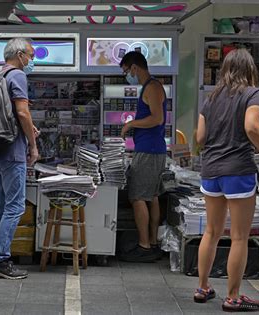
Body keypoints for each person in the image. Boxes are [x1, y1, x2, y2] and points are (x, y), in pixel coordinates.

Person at [195, 48, 259, 312]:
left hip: (211, 171)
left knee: (210, 232)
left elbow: (200, 138)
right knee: (240, 237)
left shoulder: (211, 98)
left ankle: (202, 287)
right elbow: (252, 127)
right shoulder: (252, 93)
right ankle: (233, 297)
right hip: (238, 171)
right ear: (250, 69)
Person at [0, 38, 39, 279]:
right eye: (31, 56)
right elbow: (22, 112)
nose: (32, 61)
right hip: (13, 152)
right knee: (15, 206)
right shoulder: (18, 76)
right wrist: (32, 145)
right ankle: (0, 260)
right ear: (21, 55)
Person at [119, 51, 167, 262]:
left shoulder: (153, 87)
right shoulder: (150, 87)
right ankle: (153, 242)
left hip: (149, 151)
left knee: (137, 196)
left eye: (127, 71)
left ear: (135, 68)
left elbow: (157, 118)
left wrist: (131, 124)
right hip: (152, 149)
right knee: (153, 196)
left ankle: (144, 245)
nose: (128, 75)